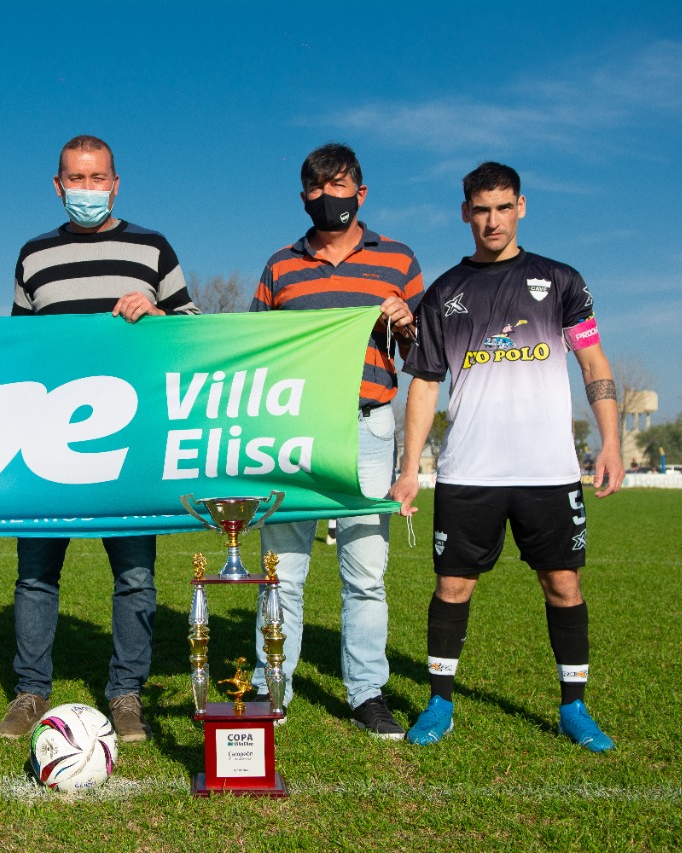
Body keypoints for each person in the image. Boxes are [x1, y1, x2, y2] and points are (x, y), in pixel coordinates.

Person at [0, 134, 198, 743]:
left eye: (98, 178)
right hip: (47, 440)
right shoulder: (33, 256)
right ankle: (31, 690)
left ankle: (128, 693)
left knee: (135, 574)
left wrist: (159, 315)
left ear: (116, 182)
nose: (87, 189)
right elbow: (22, 349)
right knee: (35, 573)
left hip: (132, 439)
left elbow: (194, 334)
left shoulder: (153, 248)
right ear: (57, 186)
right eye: (75, 179)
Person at [390, 161, 623, 752]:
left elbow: (593, 365)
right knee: (452, 587)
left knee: (563, 584)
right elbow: (424, 383)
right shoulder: (444, 293)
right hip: (470, 470)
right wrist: (409, 467)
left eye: (503, 207)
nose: (492, 220)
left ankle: (575, 707)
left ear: (521, 206)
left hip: (549, 470)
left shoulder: (561, 280)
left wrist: (611, 442)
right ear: (465, 212)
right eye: (481, 209)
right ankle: (439, 702)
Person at [247, 142, 421, 737]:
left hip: (369, 425)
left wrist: (406, 322)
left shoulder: (397, 260)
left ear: (362, 193)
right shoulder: (280, 266)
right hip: (295, 428)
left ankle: (367, 691)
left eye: (340, 186)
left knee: (366, 572)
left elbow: (426, 353)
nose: (329, 198)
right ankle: (275, 688)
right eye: (317, 189)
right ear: (304, 197)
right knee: (283, 570)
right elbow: (254, 352)